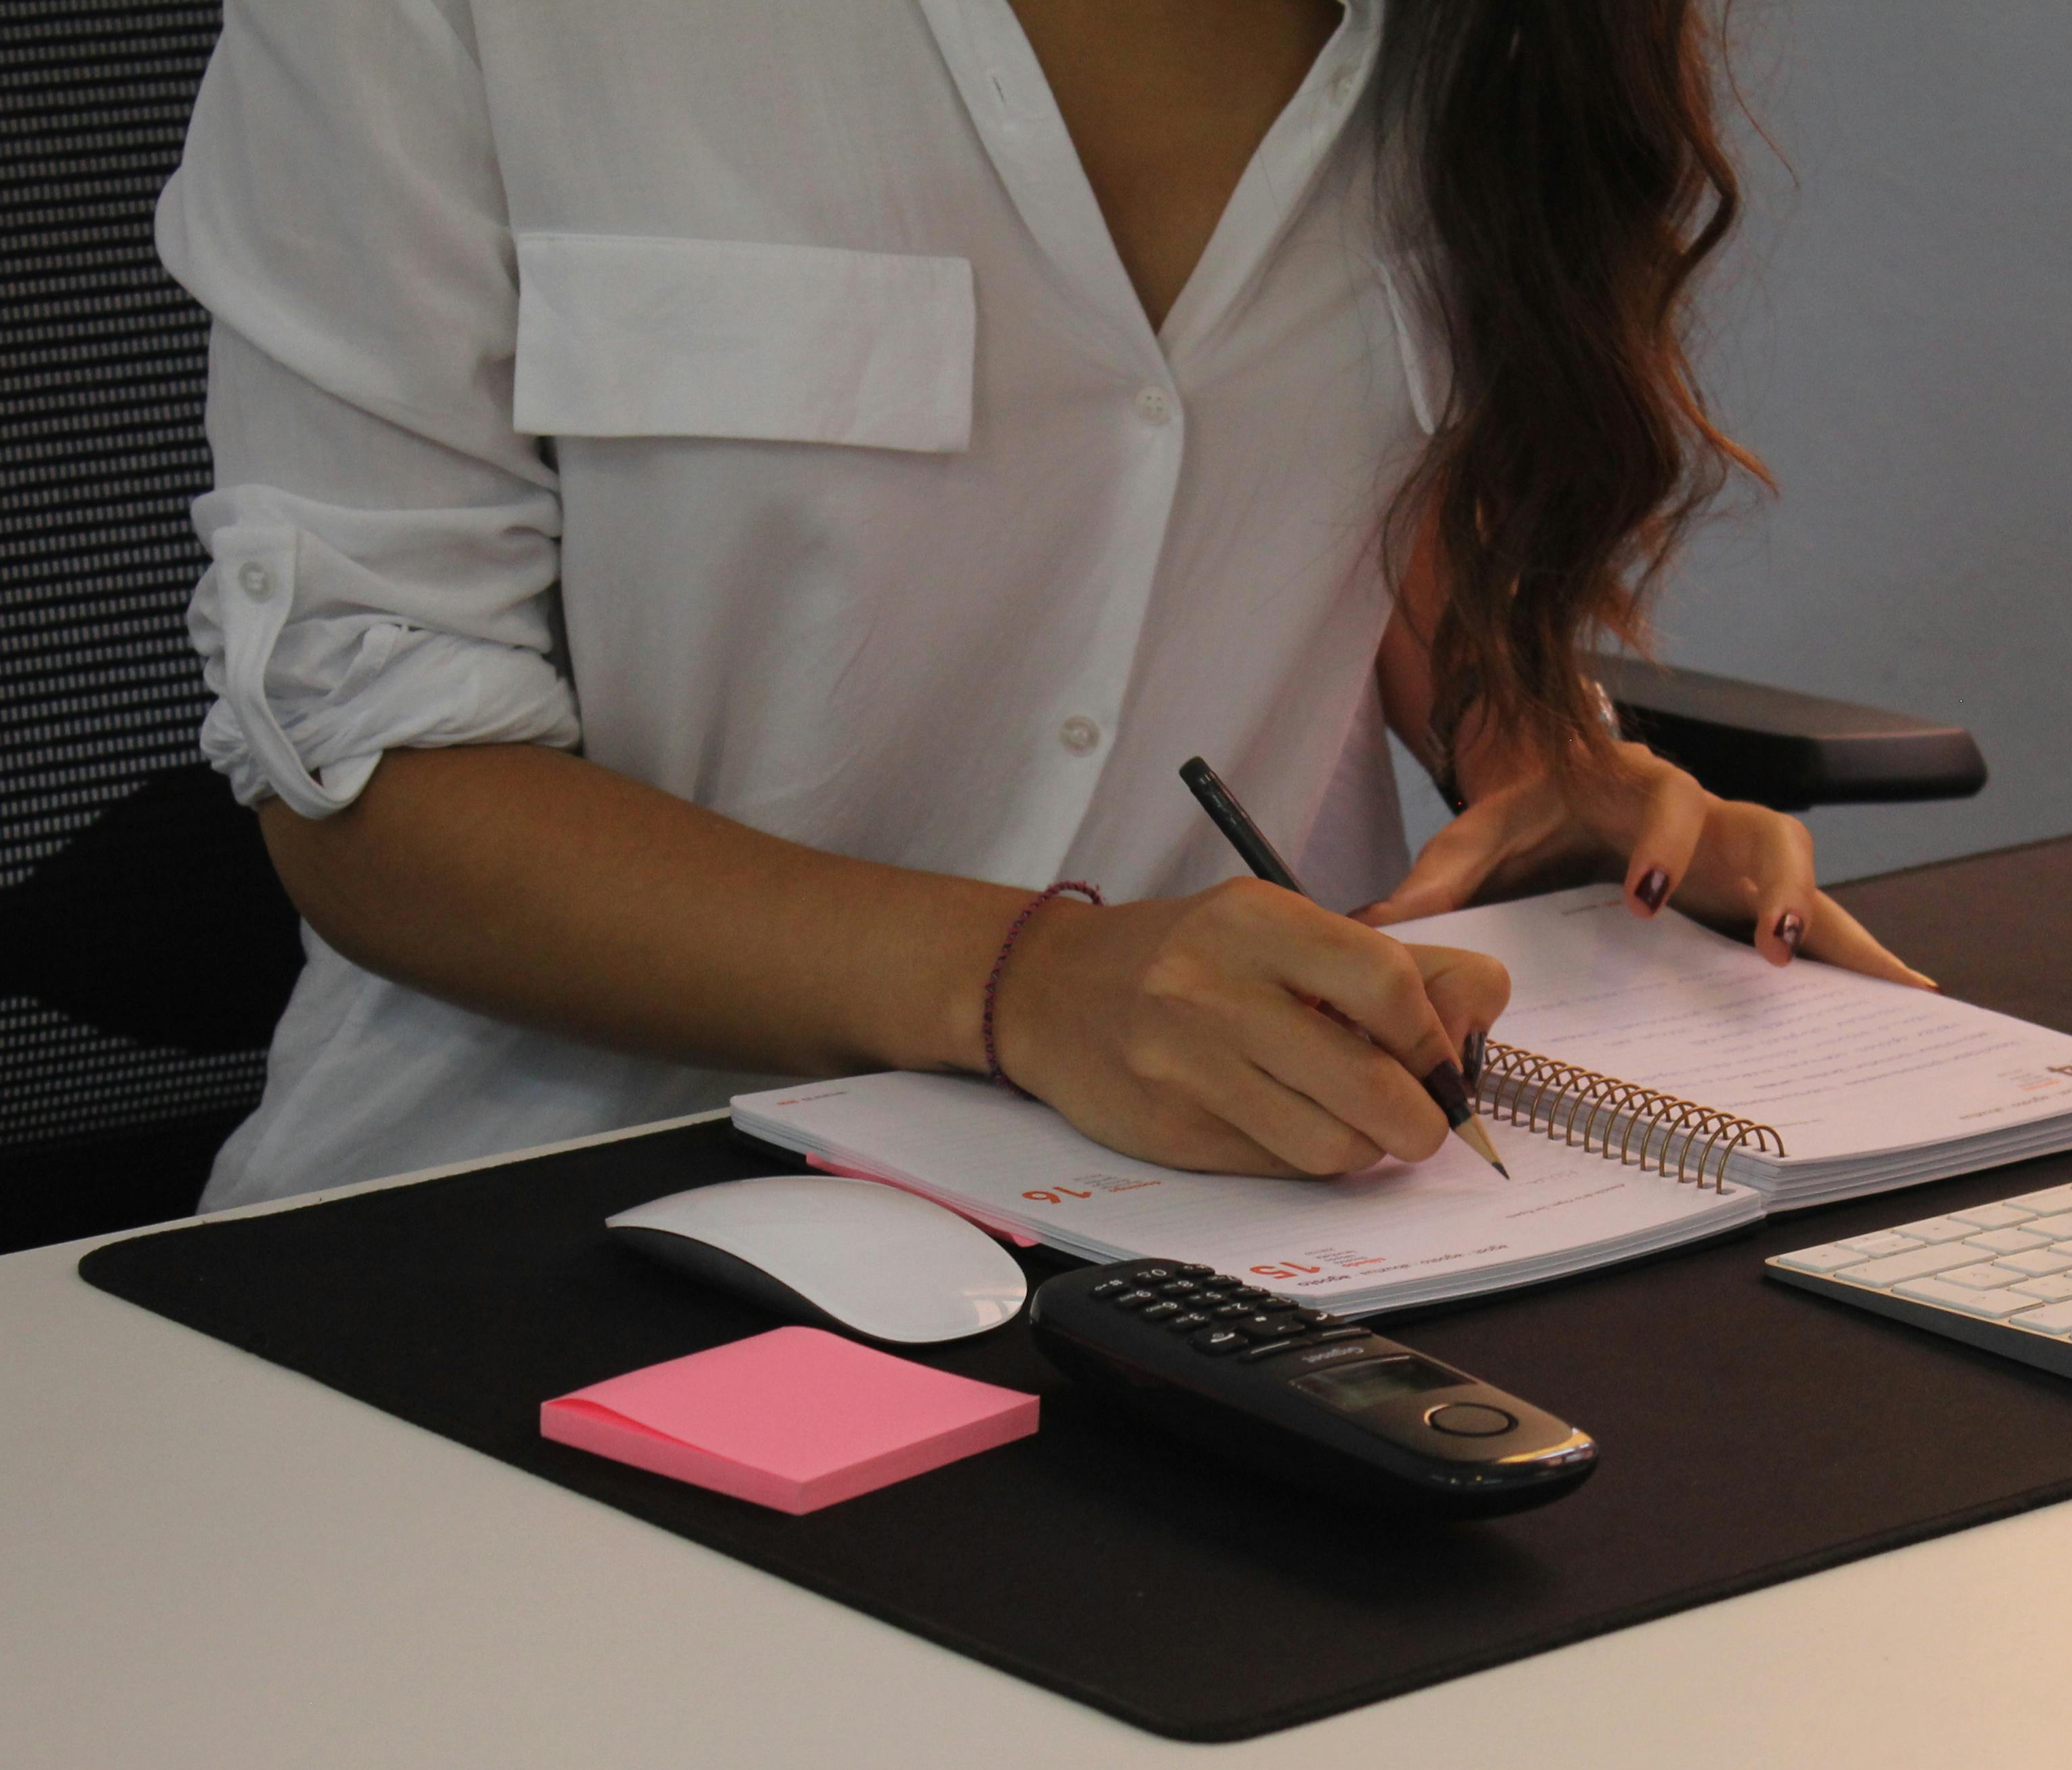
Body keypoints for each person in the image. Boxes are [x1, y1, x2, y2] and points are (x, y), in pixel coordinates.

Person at [159, 0, 1926, 1212]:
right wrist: (1030, 986)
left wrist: (1524, 745)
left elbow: (1343, 450)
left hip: (1247, 1222)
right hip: (535, 1228)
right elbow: (376, 790)